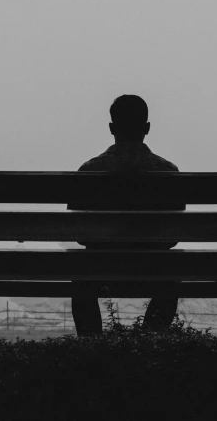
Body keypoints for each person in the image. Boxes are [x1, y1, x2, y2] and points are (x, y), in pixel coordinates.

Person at [67, 94, 186, 336]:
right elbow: (173, 237)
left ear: (112, 128)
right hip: (154, 269)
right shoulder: (169, 173)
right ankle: (149, 340)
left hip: (99, 267)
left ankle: (91, 347)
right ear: (147, 128)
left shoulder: (89, 171)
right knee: (172, 276)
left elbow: (79, 233)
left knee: (80, 279)